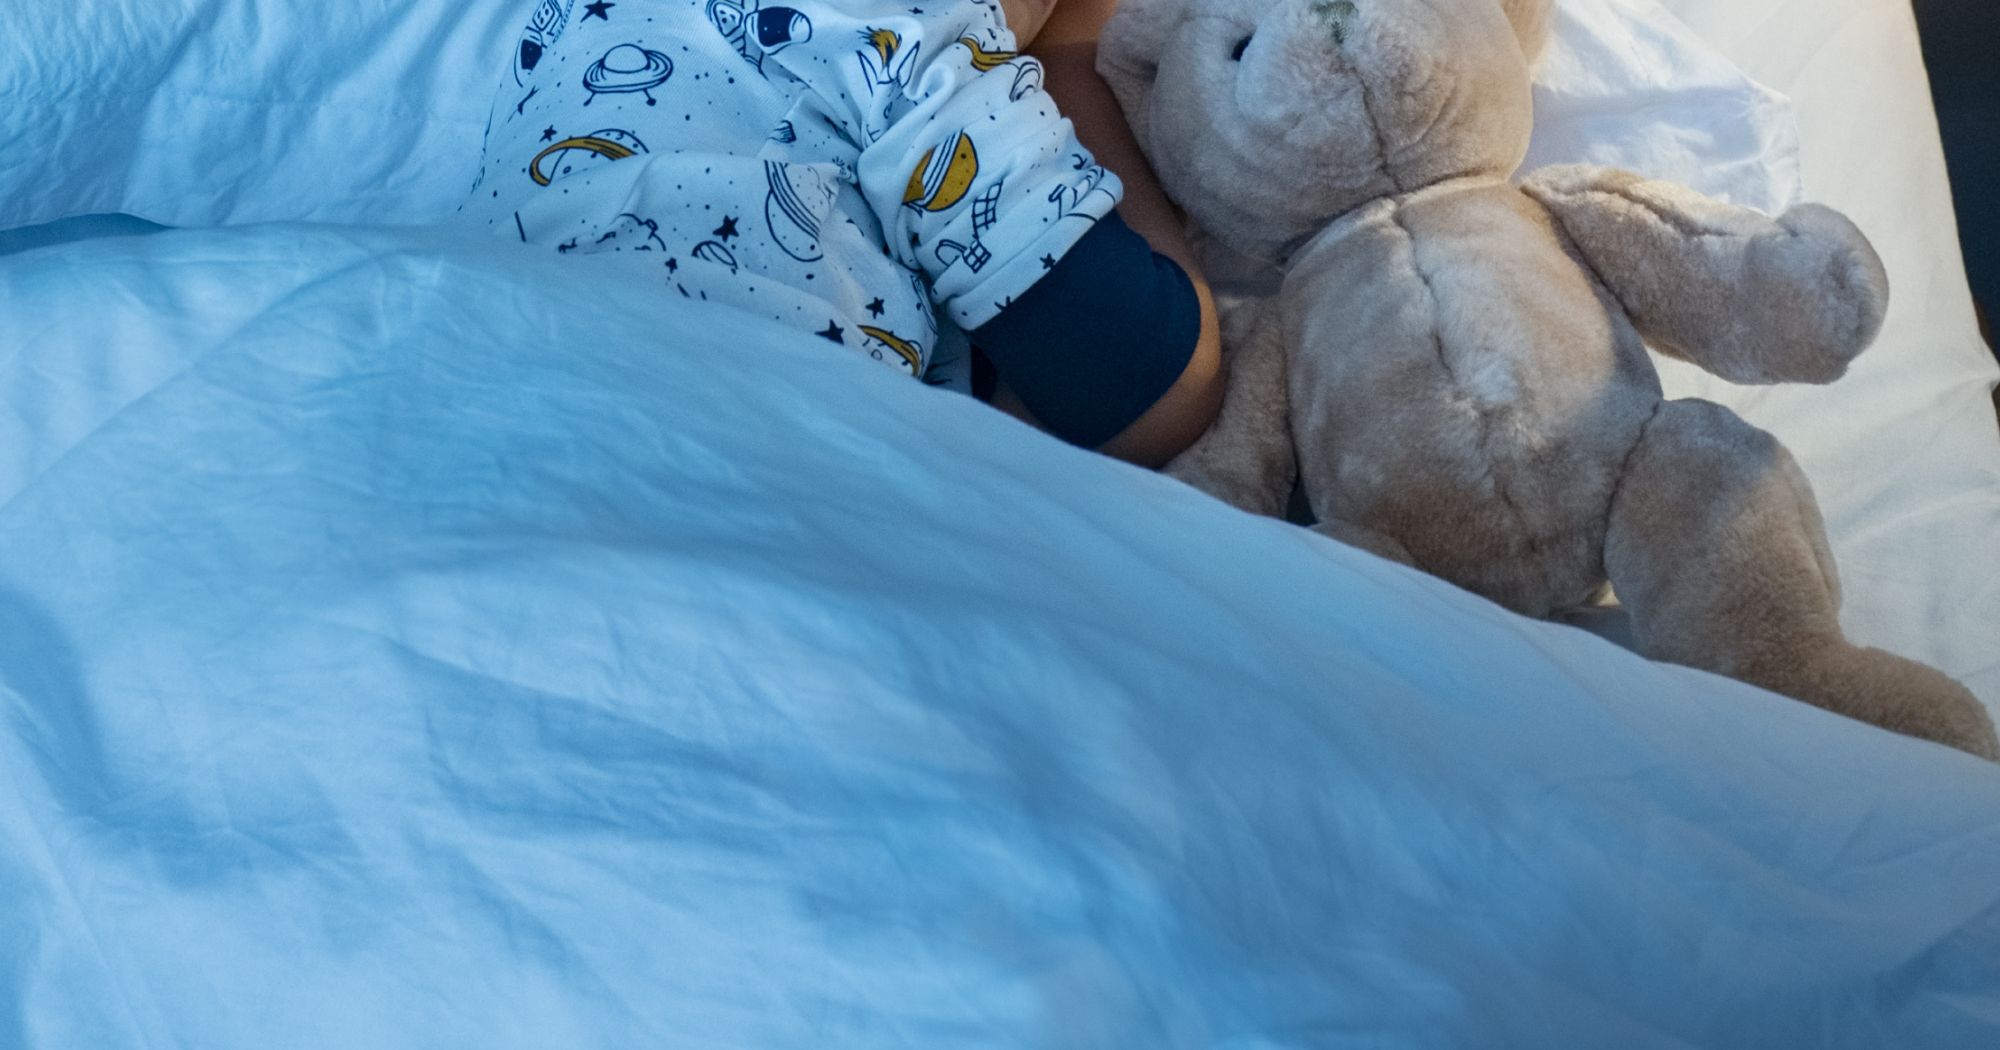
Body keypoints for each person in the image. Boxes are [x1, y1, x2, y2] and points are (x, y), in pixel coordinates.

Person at [464, 0, 1222, 467]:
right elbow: (1148, 390)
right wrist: (1069, 53)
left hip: (475, 389)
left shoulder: (568, 25)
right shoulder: (898, 33)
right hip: (718, 459)